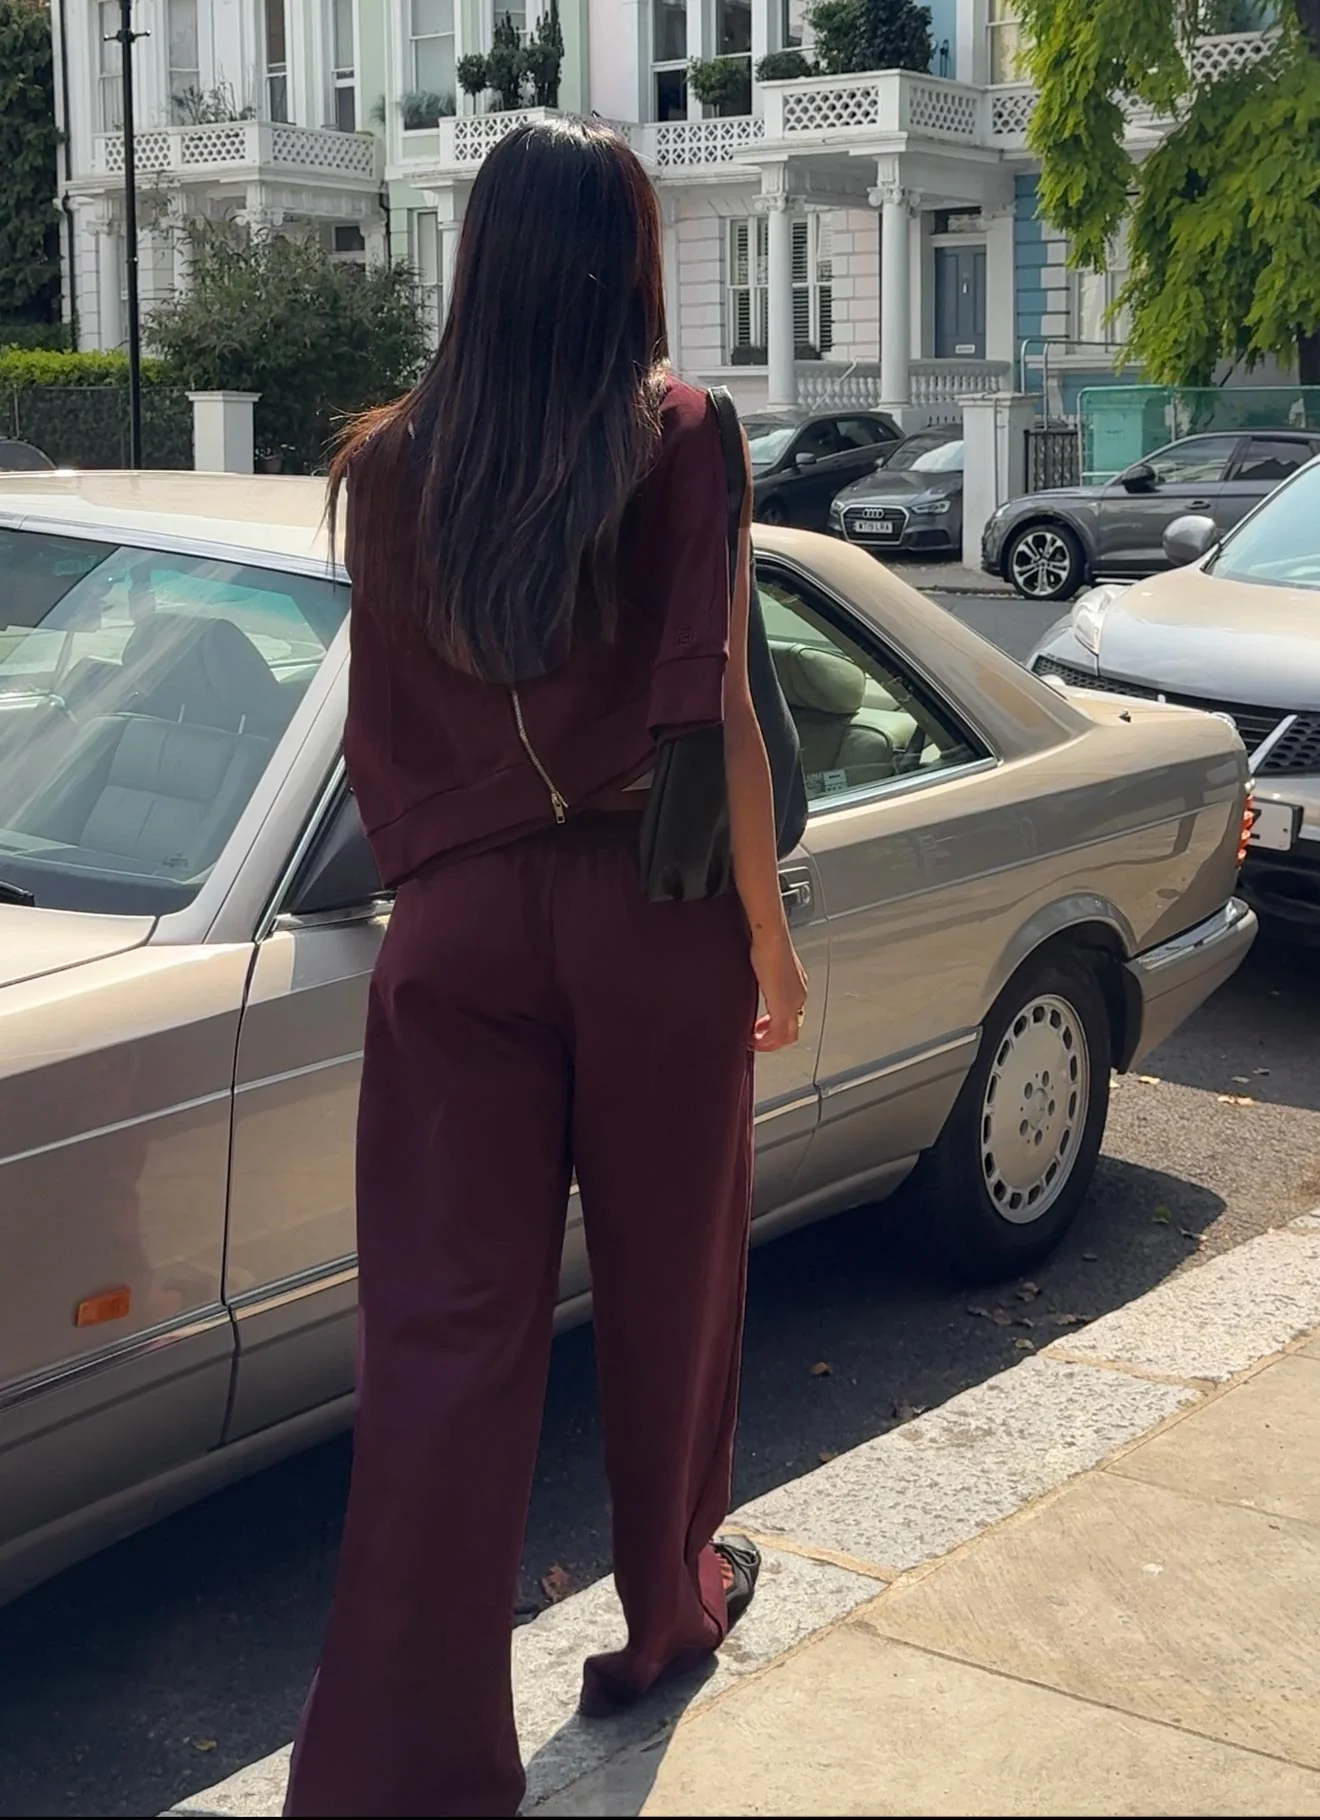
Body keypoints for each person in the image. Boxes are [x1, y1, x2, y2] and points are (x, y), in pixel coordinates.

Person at [283, 118, 808, 1819]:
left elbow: (384, 734)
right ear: (629, 256)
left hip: (454, 930)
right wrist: (770, 939)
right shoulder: (683, 436)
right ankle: (666, 1612)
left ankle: (400, 1769)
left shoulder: (386, 467)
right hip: (651, 914)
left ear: (480, 259)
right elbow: (717, 709)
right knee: (673, 1292)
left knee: (443, 1343)